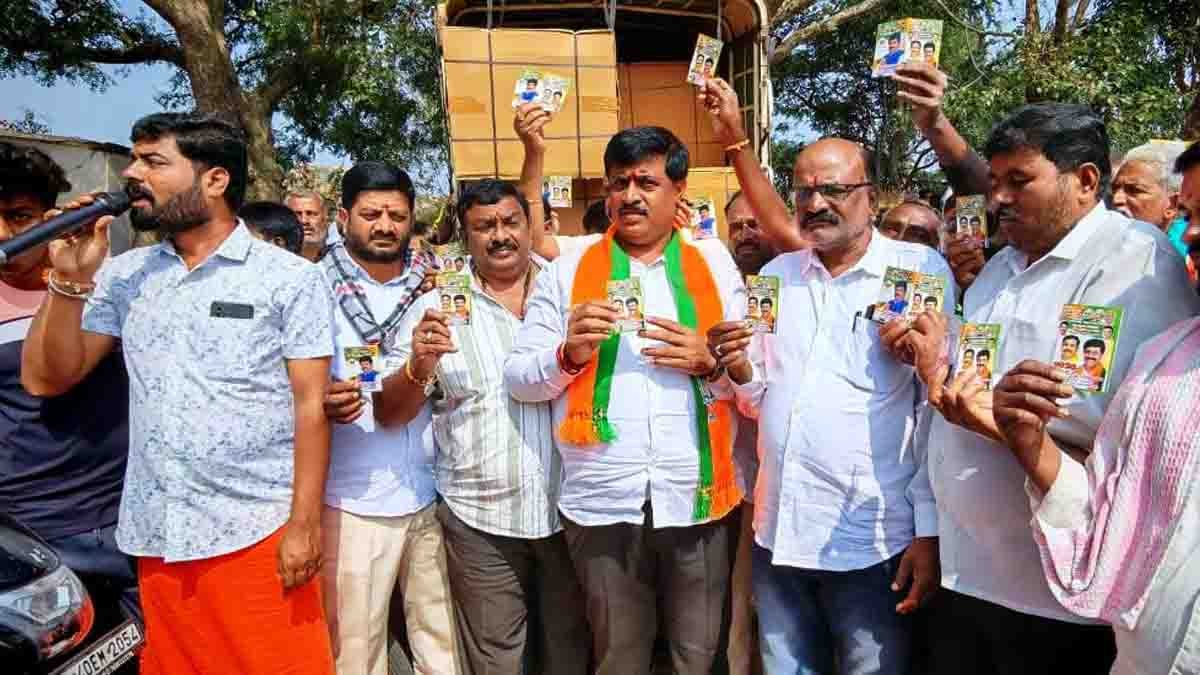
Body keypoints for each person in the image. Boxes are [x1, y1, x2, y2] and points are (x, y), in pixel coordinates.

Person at [885, 103, 1200, 675]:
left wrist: (976, 409)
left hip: (1058, 597)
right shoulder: (999, 271)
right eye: (994, 181)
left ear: (1084, 181)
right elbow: (949, 410)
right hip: (964, 577)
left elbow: (1127, 438)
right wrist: (930, 531)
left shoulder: (1135, 264)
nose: (997, 197)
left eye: (1018, 180)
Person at [21, 112, 336, 674]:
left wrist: (304, 526)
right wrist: (68, 282)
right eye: (134, 159)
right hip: (157, 531)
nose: (134, 175)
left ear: (215, 180)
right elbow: (48, 378)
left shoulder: (289, 278)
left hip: (257, 531)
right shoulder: (125, 275)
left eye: (154, 161)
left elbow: (311, 406)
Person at [504, 125, 748, 675]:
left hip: (697, 498)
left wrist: (710, 362)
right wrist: (568, 354)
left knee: (698, 656)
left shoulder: (715, 264)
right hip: (602, 501)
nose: (630, 195)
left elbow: (755, 381)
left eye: (646, 181)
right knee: (618, 658)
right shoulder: (568, 268)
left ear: (678, 189)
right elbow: (520, 377)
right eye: (618, 183)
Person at [707, 136, 950, 675]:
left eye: (834, 189)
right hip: (780, 531)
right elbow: (759, 400)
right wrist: (740, 368)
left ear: (872, 196)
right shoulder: (776, 279)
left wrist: (929, 530)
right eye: (805, 192)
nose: (816, 204)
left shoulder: (918, 272)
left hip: (872, 536)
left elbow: (935, 409)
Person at [378, 179, 590, 675]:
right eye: (484, 227)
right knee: (496, 660)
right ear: (465, 236)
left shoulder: (572, 291)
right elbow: (390, 412)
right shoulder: (433, 308)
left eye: (510, 222)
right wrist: (418, 365)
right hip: (480, 521)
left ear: (530, 225)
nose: (500, 236)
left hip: (571, 515)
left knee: (569, 652)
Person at [317, 161, 461, 675]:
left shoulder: (435, 287)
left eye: (396, 215)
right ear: (342, 218)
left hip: (428, 493)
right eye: (370, 214)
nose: (384, 226)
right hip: (352, 501)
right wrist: (319, 403)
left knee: (442, 647)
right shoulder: (312, 290)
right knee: (356, 651)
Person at [0, 142, 139, 626]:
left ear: (49, 215)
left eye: (19, 217)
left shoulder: (109, 279)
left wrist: (76, 269)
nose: (4, 234)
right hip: (40, 526)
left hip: (135, 514)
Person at [1111, 140, 1189, 252]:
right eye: (1114, 189)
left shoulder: (1189, 257)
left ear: (1172, 206)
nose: (1116, 199)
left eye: (1134, 190)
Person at [287, 189, 331, 262]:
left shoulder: (339, 258)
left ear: (325, 217)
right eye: (297, 214)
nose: (304, 221)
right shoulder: (275, 259)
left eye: (311, 213)